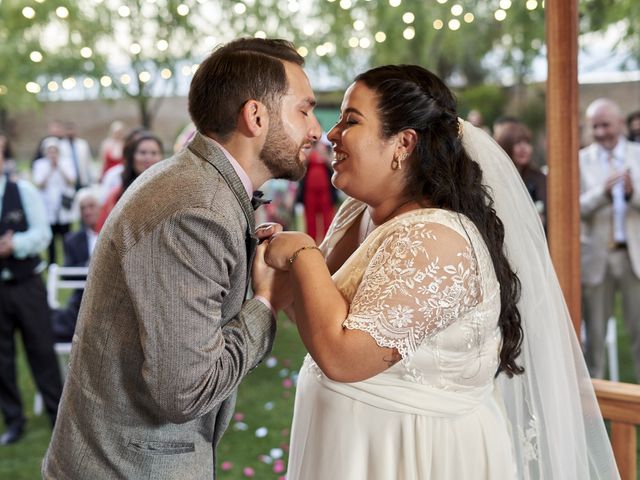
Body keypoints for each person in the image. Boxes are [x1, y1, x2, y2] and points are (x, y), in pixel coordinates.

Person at [261, 65, 618, 479]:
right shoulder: (357, 211)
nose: (331, 134)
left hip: (414, 457)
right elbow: (318, 313)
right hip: (350, 452)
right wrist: (278, 274)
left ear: (404, 143)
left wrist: (303, 253)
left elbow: (343, 357)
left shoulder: (438, 240)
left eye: (350, 120)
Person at [42, 37, 321, 479]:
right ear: (256, 116)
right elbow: (185, 391)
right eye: (304, 110)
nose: (316, 130)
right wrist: (267, 302)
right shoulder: (195, 210)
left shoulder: (197, 185)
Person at [0, 148, 62, 445]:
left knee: (41, 350)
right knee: (2, 358)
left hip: (26, 284)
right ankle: (13, 420)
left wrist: (15, 245)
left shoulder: (22, 191)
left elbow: (42, 234)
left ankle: (58, 416)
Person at [580, 98, 640, 380]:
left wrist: (631, 194)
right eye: (595, 127)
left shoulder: (638, 154)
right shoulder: (580, 161)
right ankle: (595, 410)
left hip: (633, 256)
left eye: (605, 125)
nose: (601, 132)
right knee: (595, 337)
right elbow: (573, 208)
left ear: (619, 123)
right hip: (596, 257)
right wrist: (602, 194)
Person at [50, 187, 102, 343]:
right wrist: (89, 263)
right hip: (82, 299)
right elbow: (67, 273)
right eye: (83, 208)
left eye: (91, 206)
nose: (87, 211)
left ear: (100, 208)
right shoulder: (72, 240)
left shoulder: (112, 234)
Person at [95, 132, 164, 231]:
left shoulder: (171, 190)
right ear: (132, 157)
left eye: (154, 153)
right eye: (143, 152)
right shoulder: (116, 195)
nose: (148, 158)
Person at [32, 137, 77, 265]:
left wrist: (59, 167)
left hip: (63, 207)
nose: (52, 154)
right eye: (49, 151)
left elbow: (71, 180)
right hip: (48, 208)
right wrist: (50, 169)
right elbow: (39, 183)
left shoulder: (66, 162)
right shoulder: (40, 164)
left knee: (66, 237)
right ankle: (52, 263)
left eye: (54, 150)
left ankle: (68, 262)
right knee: (50, 239)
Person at [495, 121, 547, 230]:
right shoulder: (497, 180)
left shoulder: (540, 178)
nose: (524, 148)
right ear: (506, 147)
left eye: (527, 143)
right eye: (517, 143)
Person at [296, 137, 337, 243]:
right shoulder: (307, 149)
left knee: (327, 216)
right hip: (310, 191)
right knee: (310, 218)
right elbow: (302, 165)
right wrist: (309, 153)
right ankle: (311, 241)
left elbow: (332, 164)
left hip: (325, 190)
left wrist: (323, 154)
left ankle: (327, 241)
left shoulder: (325, 148)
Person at [59, 121, 94, 190]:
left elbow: (89, 162)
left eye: (72, 129)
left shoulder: (83, 144)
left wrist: (92, 178)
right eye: (68, 130)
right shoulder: (60, 145)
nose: (70, 132)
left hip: (83, 180)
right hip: (68, 183)